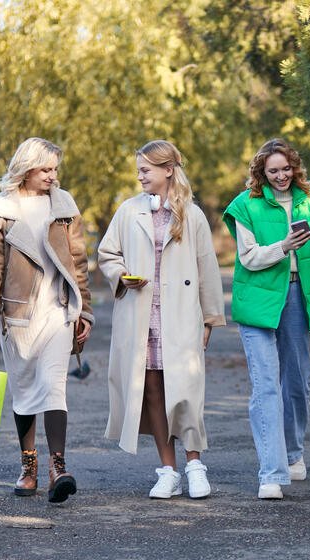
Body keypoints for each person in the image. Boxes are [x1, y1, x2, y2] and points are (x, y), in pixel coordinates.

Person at [222, 138, 310, 500]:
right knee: (266, 383)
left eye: (286, 169)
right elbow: (249, 257)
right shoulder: (245, 205)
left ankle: (293, 452)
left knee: (297, 380)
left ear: (295, 168)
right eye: (273, 171)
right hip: (258, 300)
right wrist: (284, 246)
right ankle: (271, 472)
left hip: (298, 297)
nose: (281, 176)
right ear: (261, 174)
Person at [98, 140, 226, 499]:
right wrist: (121, 274)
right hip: (141, 316)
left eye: (145, 170)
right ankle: (167, 470)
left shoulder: (192, 215)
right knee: (151, 391)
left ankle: (195, 465)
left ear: (168, 170)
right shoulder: (128, 211)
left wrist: (210, 318)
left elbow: (207, 269)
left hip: (181, 315)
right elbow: (107, 253)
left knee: (185, 392)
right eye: (138, 170)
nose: (139, 176)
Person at [0, 137, 94, 504]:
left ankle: (59, 466)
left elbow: (79, 261)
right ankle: (29, 466)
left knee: (54, 384)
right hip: (18, 316)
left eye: (55, 169)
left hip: (58, 311)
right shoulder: (3, 209)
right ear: (27, 168)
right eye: (45, 169)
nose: (52, 176)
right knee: (25, 392)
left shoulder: (63, 205)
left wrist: (84, 309)